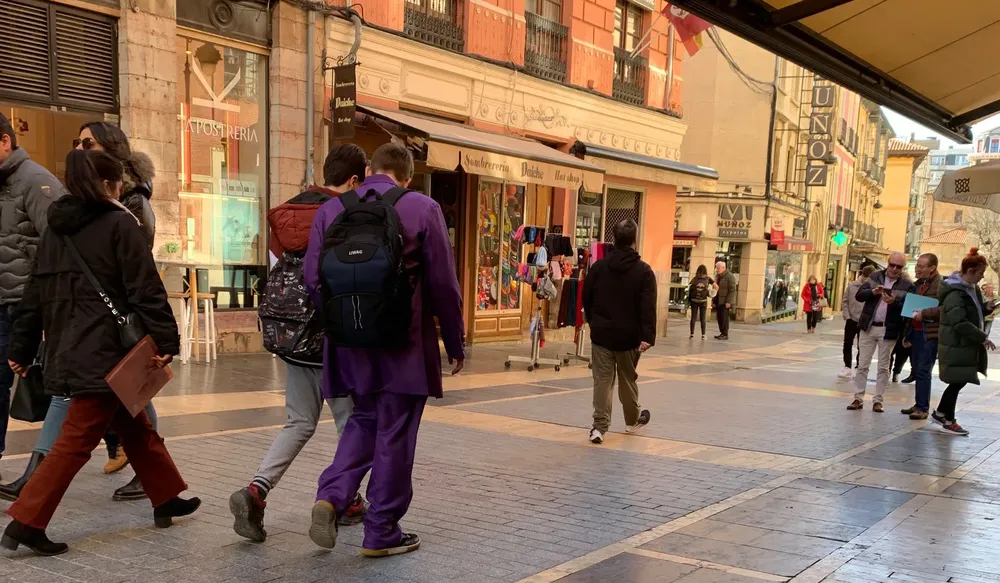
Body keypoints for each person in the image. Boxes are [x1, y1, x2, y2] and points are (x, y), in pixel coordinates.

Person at [1, 150, 199, 556]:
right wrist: (166, 341)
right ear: (112, 185)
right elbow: (145, 288)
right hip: (109, 352)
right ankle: (25, 522)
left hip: (67, 348)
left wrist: (21, 346)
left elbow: (34, 292)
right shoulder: (119, 224)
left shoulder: (55, 229)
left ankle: (164, 498)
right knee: (75, 441)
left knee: (135, 425)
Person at [303, 143, 465, 556]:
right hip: (404, 344)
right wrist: (454, 340)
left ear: (369, 171)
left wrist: (341, 330)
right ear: (406, 176)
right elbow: (444, 285)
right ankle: (381, 530)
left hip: (350, 342)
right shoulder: (422, 208)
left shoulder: (330, 211)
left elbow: (313, 280)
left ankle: (333, 494)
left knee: (363, 419)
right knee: (395, 431)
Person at [0, 123, 158, 502]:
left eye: (88, 142)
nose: (79, 147)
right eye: (77, 142)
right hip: (79, 317)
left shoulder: (130, 204)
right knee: (95, 396)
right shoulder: (77, 208)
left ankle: (33, 503)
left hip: (111, 322)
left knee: (130, 395)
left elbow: (140, 277)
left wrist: (162, 336)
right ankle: (156, 482)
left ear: (112, 152)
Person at [229, 145, 369, 543]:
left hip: (292, 334)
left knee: (299, 422)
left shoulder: (289, 210)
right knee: (350, 423)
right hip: (332, 337)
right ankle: (345, 499)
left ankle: (256, 491)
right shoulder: (344, 214)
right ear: (354, 180)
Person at [0, 113, 63, 479]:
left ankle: (124, 442)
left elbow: (57, 243)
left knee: (62, 386)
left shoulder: (37, 181)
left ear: (6, 141)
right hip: (3, 300)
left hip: (27, 304)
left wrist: (44, 307)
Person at [584, 219, 655, 445]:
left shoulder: (598, 267)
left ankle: (599, 427)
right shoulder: (644, 272)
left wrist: (592, 321)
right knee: (627, 379)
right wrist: (647, 336)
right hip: (628, 337)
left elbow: (587, 297)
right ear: (635, 239)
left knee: (602, 381)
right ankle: (632, 419)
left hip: (602, 334)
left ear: (614, 238)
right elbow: (648, 306)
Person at [933, 249, 995, 435]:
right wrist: (982, 337)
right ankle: (947, 419)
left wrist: (986, 307)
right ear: (970, 271)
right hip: (956, 343)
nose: (982, 277)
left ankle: (942, 413)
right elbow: (959, 321)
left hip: (964, 344)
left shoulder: (971, 289)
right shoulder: (955, 292)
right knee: (958, 380)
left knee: (960, 380)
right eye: (980, 273)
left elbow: (972, 313)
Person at [847, 251, 914, 413]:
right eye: (892, 265)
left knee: (884, 367)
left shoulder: (907, 284)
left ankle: (878, 400)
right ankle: (858, 397)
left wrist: (895, 302)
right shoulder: (875, 277)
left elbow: (910, 308)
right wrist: (873, 292)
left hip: (888, 329)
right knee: (862, 364)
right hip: (868, 327)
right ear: (887, 263)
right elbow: (859, 295)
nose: (894, 269)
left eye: (899, 266)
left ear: (902, 268)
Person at [900, 253, 942, 420]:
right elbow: (911, 307)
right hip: (916, 331)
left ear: (932, 268)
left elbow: (943, 309)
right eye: (917, 265)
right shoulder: (919, 284)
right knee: (917, 369)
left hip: (928, 333)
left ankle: (923, 408)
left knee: (924, 370)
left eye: (921, 266)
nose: (917, 268)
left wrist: (924, 313)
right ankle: (919, 403)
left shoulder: (941, 286)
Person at [840, 266, 875, 378]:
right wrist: (847, 316)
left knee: (862, 345)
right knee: (847, 343)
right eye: (867, 278)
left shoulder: (874, 288)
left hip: (865, 320)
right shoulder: (852, 285)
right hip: (851, 319)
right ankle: (847, 367)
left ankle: (859, 367)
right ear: (863, 276)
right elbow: (845, 301)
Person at [714, 260, 737, 340]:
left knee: (724, 318)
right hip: (718, 300)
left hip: (725, 301)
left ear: (723, 268)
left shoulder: (729, 276)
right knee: (719, 317)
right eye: (716, 268)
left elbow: (732, 290)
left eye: (718, 268)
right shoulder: (718, 276)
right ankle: (721, 332)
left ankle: (725, 333)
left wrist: (728, 301)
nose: (717, 269)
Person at [688, 265, 712, 339]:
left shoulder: (694, 279)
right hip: (703, 300)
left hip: (694, 300)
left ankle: (692, 334)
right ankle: (703, 335)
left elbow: (690, 288)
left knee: (693, 317)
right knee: (703, 318)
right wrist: (712, 293)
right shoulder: (708, 278)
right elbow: (716, 286)